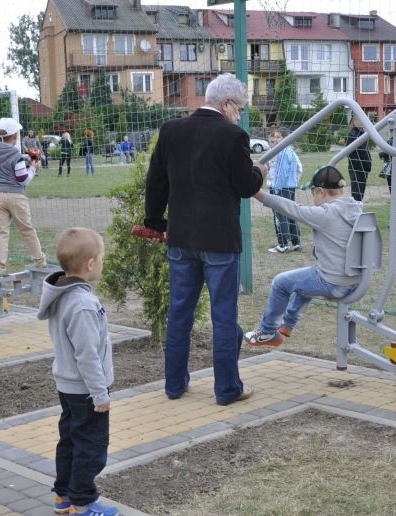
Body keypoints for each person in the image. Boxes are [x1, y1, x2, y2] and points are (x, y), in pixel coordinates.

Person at [143, 73, 267, 406]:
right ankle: (227, 388)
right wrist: (260, 172)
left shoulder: (171, 130)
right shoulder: (233, 136)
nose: (239, 115)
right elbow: (245, 187)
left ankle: (174, 385)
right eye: (239, 108)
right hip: (221, 242)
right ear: (227, 104)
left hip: (181, 237)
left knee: (180, 313)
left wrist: (156, 222)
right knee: (223, 316)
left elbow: (155, 181)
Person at [36, 227, 120, 516]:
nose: (102, 262)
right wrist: (99, 394)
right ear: (90, 264)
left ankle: (63, 497)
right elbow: (87, 356)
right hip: (86, 390)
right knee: (90, 447)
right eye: (101, 258)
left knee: (71, 440)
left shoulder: (64, 295)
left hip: (68, 386)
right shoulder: (83, 304)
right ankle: (82, 504)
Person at [245, 166, 362, 346]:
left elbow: (292, 209)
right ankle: (287, 325)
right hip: (355, 282)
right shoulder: (357, 209)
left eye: (313, 193)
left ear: (321, 191)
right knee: (305, 278)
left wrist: (257, 193)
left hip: (333, 283)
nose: (313, 199)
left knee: (281, 283)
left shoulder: (326, 213)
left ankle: (267, 332)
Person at [0, 118, 47, 277]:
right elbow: (23, 179)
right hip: (15, 196)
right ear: (14, 137)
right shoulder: (15, 154)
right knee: (27, 230)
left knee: (0, 232)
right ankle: (39, 261)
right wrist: (33, 168)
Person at [267, 127, 303, 253]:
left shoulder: (282, 152)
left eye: (278, 137)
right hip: (290, 187)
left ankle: (282, 244)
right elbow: (299, 168)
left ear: (284, 138)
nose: (275, 140)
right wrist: (294, 182)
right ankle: (296, 242)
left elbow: (281, 174)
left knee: (279, 214)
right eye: (274, 138)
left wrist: (275, 189)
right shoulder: (291, 151)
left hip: (280, 188)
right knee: (291, 213)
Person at [378, 138, 396, 228]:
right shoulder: (395, 138)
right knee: (395, 194)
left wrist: (383, 153)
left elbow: (393, 153)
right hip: (392, 168)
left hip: (393, 169)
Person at [346, 115, 372, 201]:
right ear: (355, 121)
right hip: (357, 170)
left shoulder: (362, 133)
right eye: (360, 120)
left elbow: (365, 151)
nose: (362, 122)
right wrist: (362, 167)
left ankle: (358, 211)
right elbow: (351, 155)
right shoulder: (352, 135)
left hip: (363, 169)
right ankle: (355, 213)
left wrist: (367, 164)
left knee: (360, 195)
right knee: (356, 195)